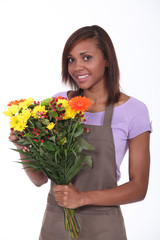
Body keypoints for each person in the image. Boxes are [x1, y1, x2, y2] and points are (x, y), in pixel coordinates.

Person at [9, 25, 151, 240]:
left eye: (86, 58)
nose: (76, 67)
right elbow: (39, 179)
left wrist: (82, 198)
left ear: (107, 59)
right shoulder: (59, 105)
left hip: (104, 225)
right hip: (57, 222)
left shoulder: (134, 110)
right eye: (71, 59)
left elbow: (138, 188)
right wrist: (23, 146)